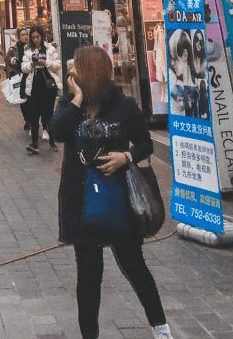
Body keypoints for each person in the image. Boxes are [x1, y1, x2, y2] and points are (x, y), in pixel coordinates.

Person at [51, 45, 173, 339]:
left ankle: (161, 327)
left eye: (76, 67)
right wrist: (77, 100)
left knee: (134, 266)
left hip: (119, 201)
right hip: (81, 202)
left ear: (90, 71)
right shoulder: (69, 103)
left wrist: (125, 157)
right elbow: (56, 133)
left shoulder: (124, 106)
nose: (71, 72)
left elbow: (146, 144)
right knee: (89, 276)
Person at [21, 25, 61, 153]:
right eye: (33, 38)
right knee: (34, 115)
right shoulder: (28, 51)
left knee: (48, 114)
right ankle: (34, 143)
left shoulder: (50, 49)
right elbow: (23, 67)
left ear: (42, 36)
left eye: (37, 37)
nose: (35, 40)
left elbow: (57, 65)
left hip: (48, 86)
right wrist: (32, 64)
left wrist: (46, 62)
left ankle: (52, 142)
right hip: (34, 86)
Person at [5, 27, 32, 130]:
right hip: (19, 76)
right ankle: (27, 120)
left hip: (30, 75)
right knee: (22, 100)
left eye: (26, 34)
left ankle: (31, 120)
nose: (26, 36)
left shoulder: (31, 47)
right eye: (23, 35)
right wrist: (12, 60)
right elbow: (6, 57)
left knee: (30, 99)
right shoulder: (14, 48)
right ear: (18, 37)